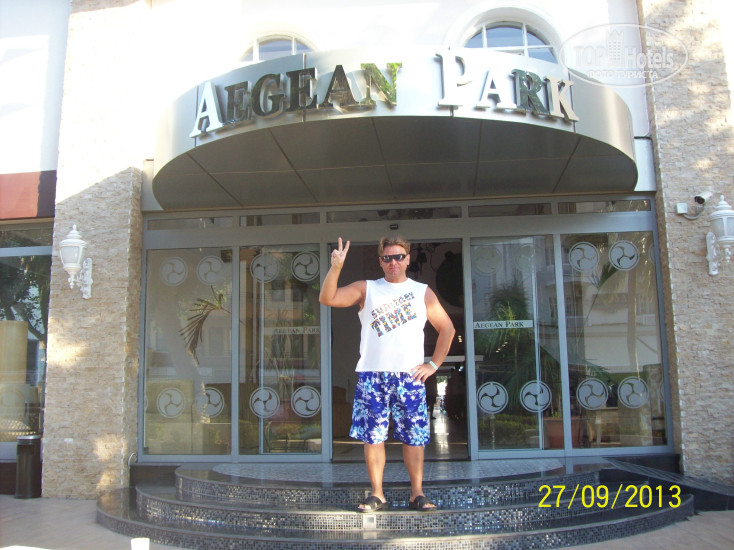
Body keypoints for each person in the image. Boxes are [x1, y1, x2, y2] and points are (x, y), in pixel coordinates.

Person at [319, 236, 455, 512]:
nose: (393, 262)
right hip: (373, 376)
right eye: (387, 258)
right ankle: (377, 494)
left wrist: (433, 365)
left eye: (398, 257)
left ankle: (417, 494)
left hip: (409, 378)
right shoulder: (367, 289)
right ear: (380, 262)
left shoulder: (422, 292)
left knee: (413, 438)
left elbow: (447, 329)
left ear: (407, 259)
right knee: (373, 437)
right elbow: (327, 298)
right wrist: (336, 268)